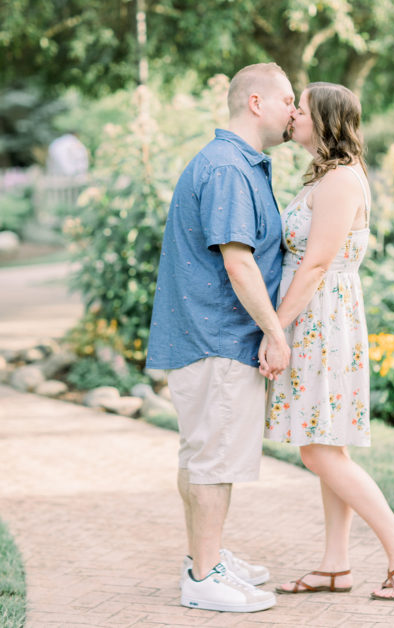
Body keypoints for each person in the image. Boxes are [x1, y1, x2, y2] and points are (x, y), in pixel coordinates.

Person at [264, 82, 394, 600]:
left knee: (317, 451)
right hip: (320, 314)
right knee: (326, 444)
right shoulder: (329, 175)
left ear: (326, 121)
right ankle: (335, 566)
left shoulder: (339, 180)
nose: (293, 113)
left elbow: (315, 264)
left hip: (319, 319)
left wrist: (276, 329)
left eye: (303, 108)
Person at [146, 62, 296, 613]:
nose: (295, 111)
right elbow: (239, 262)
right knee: (215, 463)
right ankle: (204, 577)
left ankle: (204, 560)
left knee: (201, 458)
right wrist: (275, 333)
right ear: (256, 103)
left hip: (205, 338)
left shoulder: (233, 162)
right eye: (287, 100)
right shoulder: (230, 168)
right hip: (218, 339)